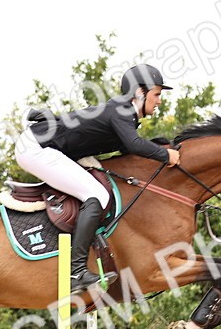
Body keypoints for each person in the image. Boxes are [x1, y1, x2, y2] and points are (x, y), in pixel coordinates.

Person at [15, 63, 181, 293]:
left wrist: (163, 146)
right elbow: (133, 145)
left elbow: (130, 148)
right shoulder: (122, 111)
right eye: (157, 94)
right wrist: (165, 155)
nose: (160, 100)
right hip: (36, 148)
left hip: (45, 146)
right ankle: (75, 272)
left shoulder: (125, 113)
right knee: (97, 195)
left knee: (96, 193)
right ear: (140, 92)